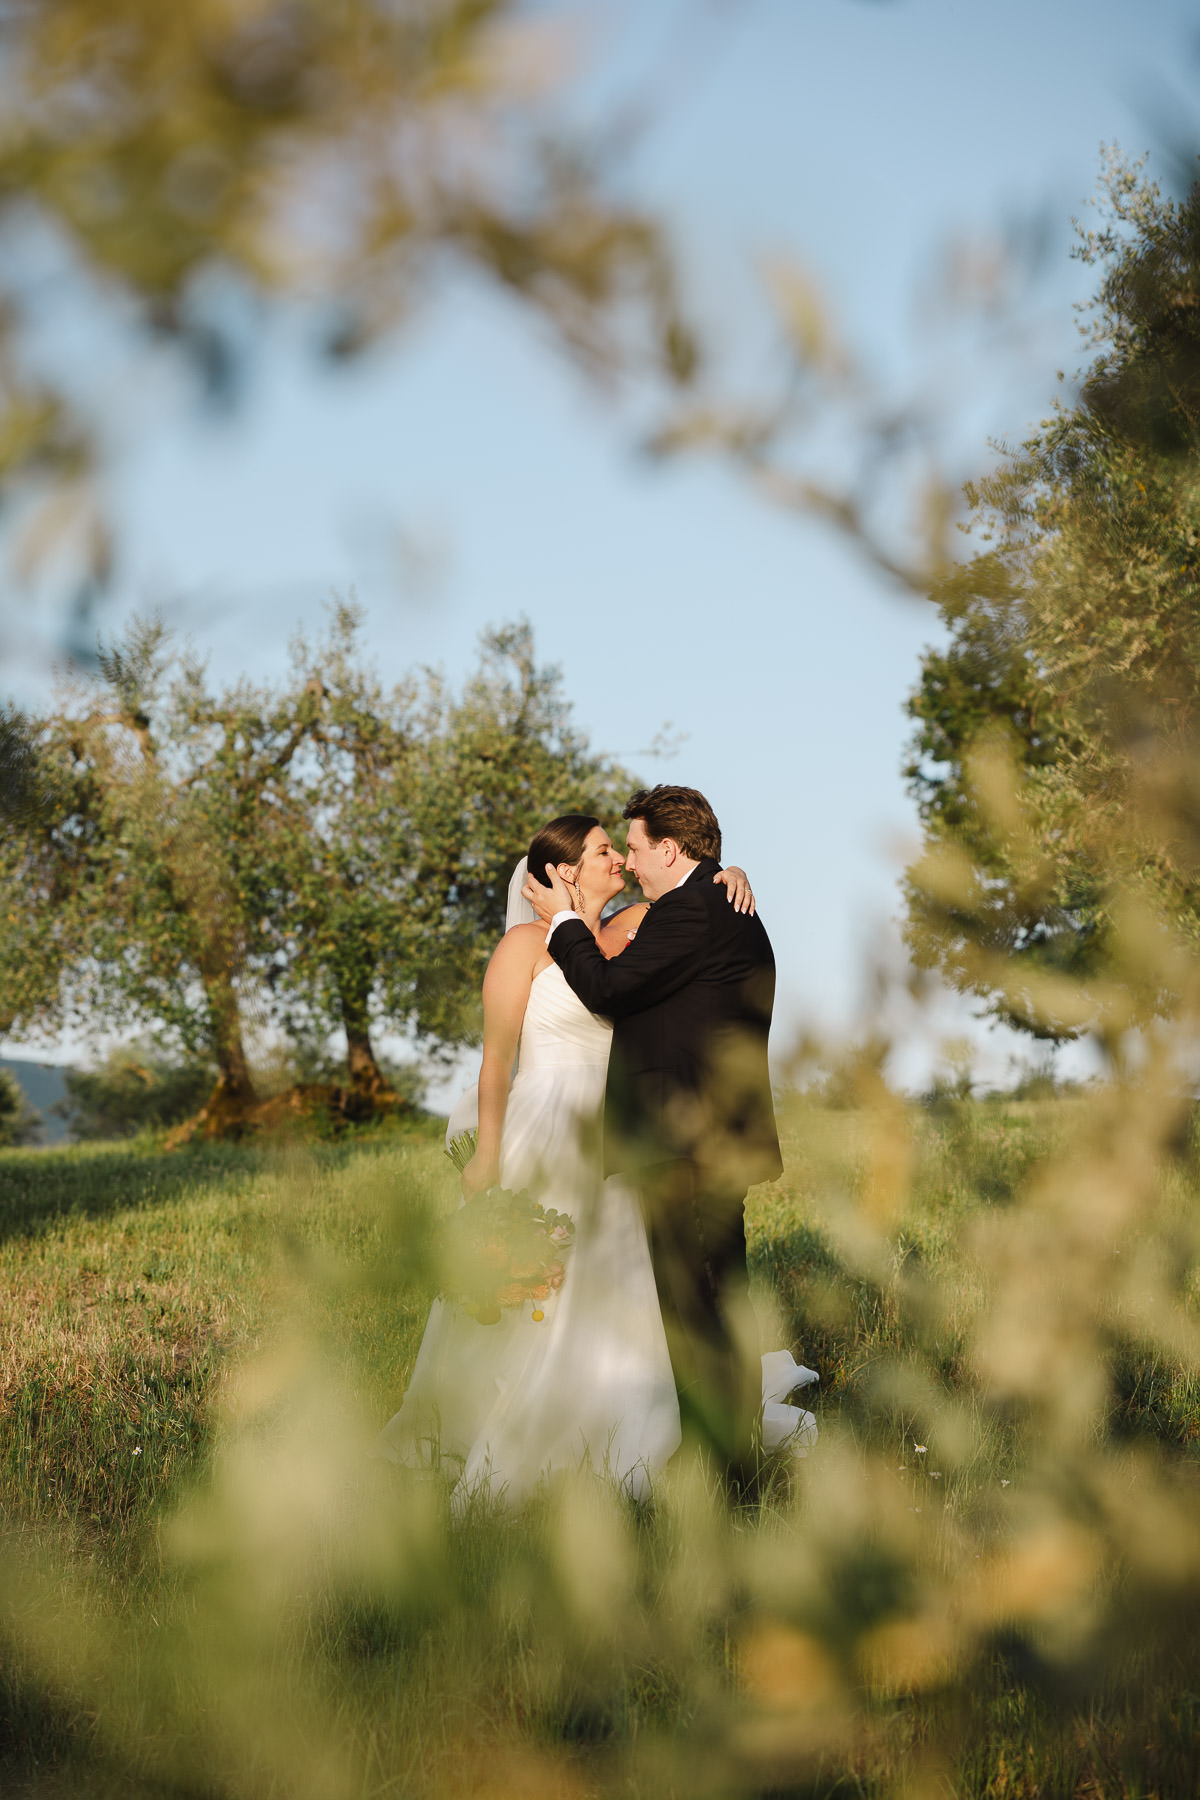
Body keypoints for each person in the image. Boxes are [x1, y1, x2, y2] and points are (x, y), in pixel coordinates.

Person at [373, 812, 766, 1506]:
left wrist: (728, 876)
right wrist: (485, 1154)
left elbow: (695, 914)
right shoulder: (522, 948)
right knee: (531, 1276)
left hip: (623, 1128)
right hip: (543, 1126)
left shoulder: (645, 924)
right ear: (562, 871)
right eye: (602, 851)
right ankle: (495, 1420)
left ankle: (631, 1429)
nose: (618, 858)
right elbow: (495, 1062)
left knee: (627, 1283)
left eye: (621, 848)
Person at [523, 785, 789, 1495]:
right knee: (713, 1308)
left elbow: (608, 989)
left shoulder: (691, 911)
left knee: (698, 1312)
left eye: (636, 849)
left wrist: (559, 924)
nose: (633, 864)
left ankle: (731, 1480)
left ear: (670, 850)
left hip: (686, 1147)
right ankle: (729, 1467)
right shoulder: (715, 903)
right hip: (708, 1144)